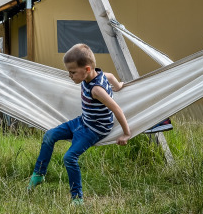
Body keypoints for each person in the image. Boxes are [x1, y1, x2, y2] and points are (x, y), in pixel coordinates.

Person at [28, 43, 131, 205]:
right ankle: (39, 174)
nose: (70, 75)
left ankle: (77, 198)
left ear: (87, 69)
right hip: (83, 121)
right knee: (49, 135)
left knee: (69, 157)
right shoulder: (97, 74)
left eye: (73, 72)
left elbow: (117, 109)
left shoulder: (97, 90)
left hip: (94, 130)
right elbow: (110, 77)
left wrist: (126, 133)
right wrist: (118, 87)